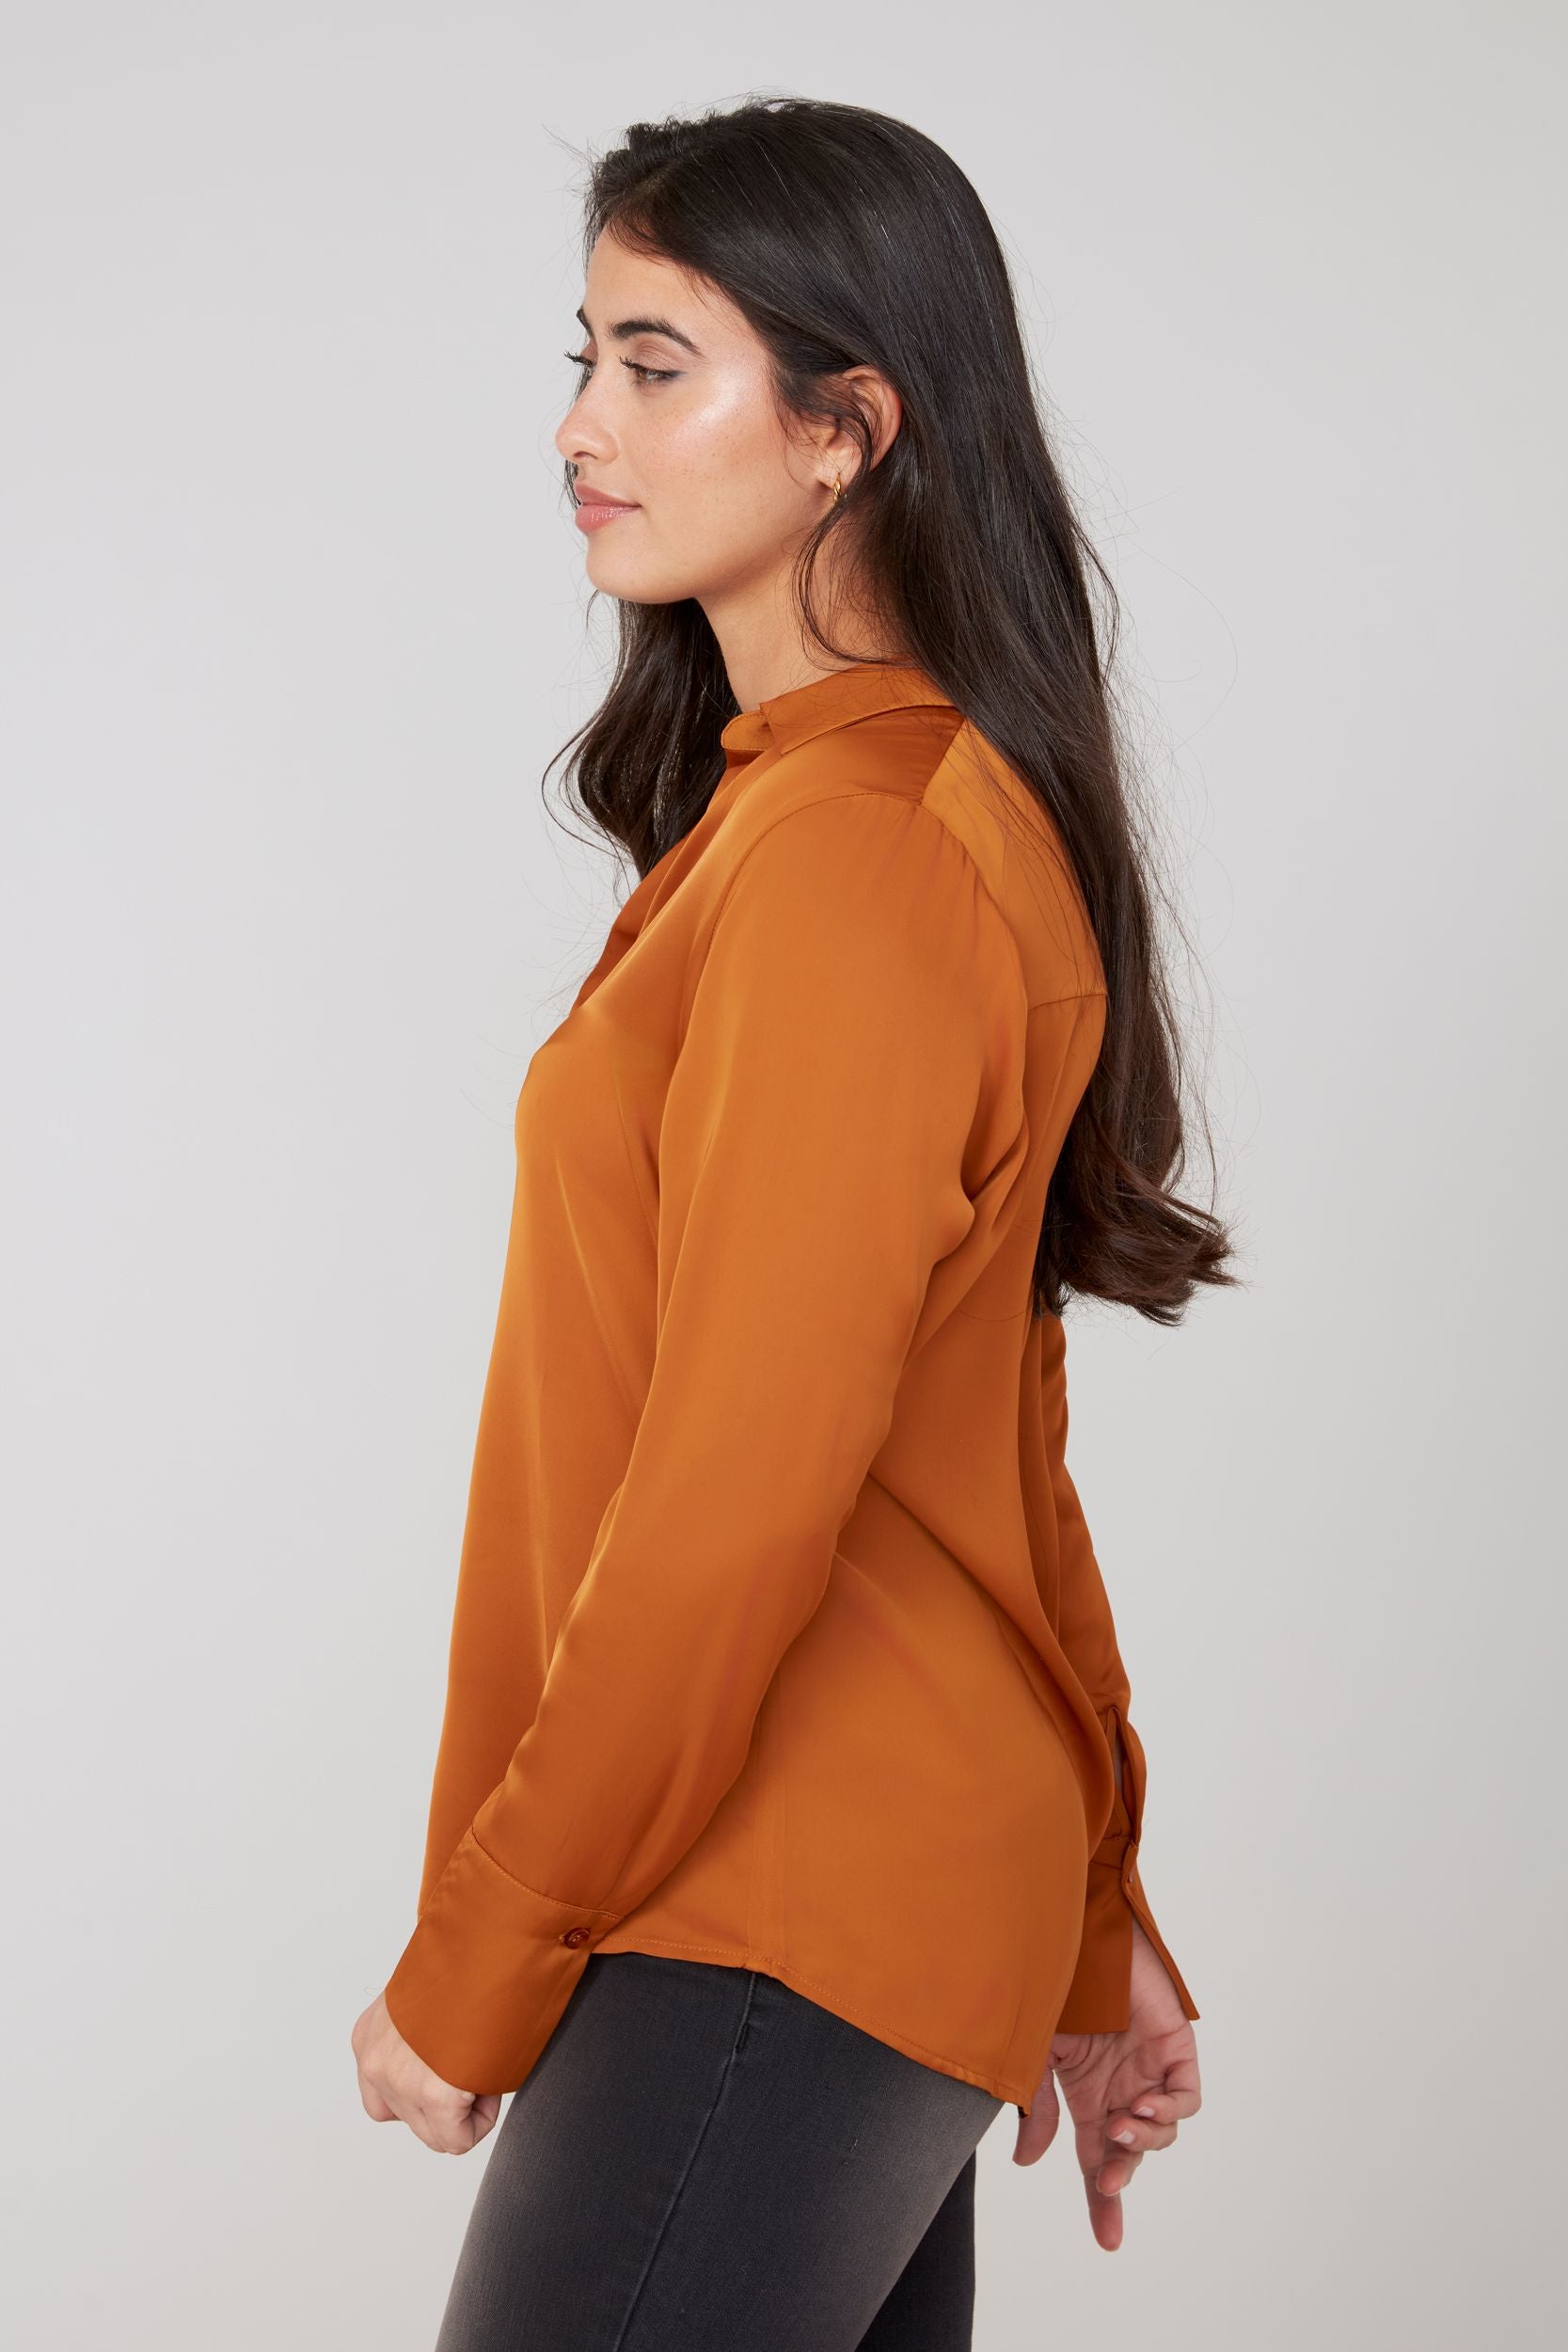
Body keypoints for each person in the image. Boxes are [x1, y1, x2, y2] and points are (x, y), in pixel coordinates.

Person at [351, 94, 1234, 2351]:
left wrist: (483, 1946)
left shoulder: (862, 854)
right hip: (843, 1911)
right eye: (583, 359)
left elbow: (735, 1496)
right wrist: (1093, 1913)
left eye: (657, 365)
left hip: (777, 1899)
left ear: (849, 428)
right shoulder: (830, 817)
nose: (584, 426)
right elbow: (995, 1435)